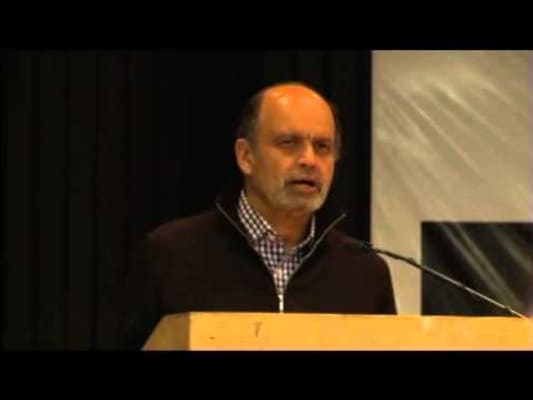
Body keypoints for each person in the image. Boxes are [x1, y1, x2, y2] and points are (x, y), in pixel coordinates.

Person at [120, 82, 397, 349]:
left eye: (322, 146)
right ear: (246, 156)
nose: (309, 160)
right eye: (289, 143)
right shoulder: (172, 255)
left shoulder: (365, 272)